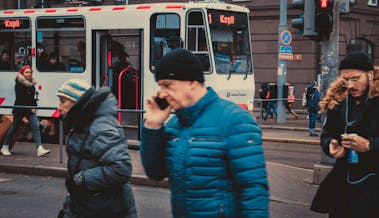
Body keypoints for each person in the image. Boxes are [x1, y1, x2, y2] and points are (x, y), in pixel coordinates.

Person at [140, 48, 269, 217]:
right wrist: (153, 125)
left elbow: (253, 188)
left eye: (168, 85)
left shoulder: (235, 120)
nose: (162, 93)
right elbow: (155, 172)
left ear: (192, 82)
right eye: (160, 86)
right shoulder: (174, 125)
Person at [311, 51, 379, 217]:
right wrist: (330, 145)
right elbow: (327, 134)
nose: (350, 85)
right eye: (345, 80)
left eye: (355, 79)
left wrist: (370, 145)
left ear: (370, 75)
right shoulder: (338, 102)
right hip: (343, 189)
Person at [56, 78, 137, 218]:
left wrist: (82, 179)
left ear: (77, 102)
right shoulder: (83, 123)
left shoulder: (101, 127)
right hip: (92, 206)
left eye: (63, 101)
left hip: (108, 209)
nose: (59, 107)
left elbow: (121, 168)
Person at [0, 65, 50, 156]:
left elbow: (32, 98)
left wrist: (34, 106)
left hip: (29, 109)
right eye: (26, 72)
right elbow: (20, 98)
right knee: (15, 126)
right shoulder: (19, 84)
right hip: (20, 109)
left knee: (35, 127)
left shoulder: (31, 85)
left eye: (30, 72)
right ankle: (5, 146)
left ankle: (39, 148)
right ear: (22, 73)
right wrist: (30, 107)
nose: (28, 74)